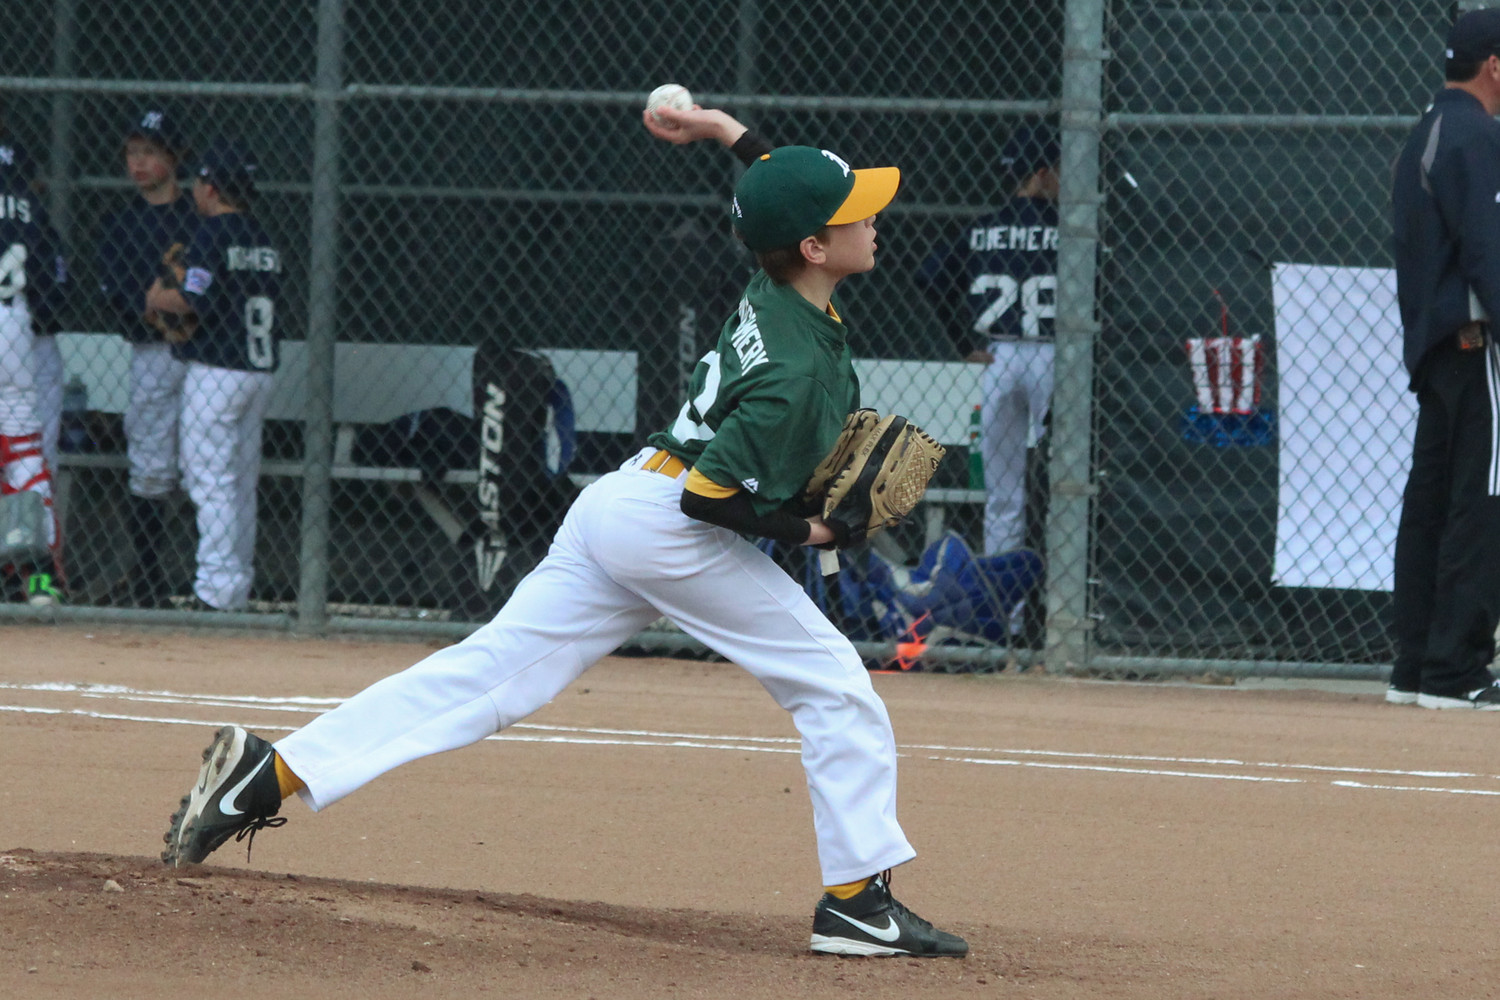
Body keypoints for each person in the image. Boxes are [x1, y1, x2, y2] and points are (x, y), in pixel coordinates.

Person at [158, 105, 967, 959]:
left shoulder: (773, 279)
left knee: (488, 675)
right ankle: (857, 904)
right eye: (856, 214)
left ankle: (268, 775)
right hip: (672, 524)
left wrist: (721, 127)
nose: (873, 221)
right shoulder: (796, 372)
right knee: (835, 685)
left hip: (620, 503)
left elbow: (772, 184)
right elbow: (708, 500)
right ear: (812, 247)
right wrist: (815, 530)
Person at [1388, 8, 1500, 710]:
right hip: (1474, 340)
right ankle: (1456, 671)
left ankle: (1417, 665)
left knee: (1431, 500)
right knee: (1482, 500)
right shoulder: (1477, 134)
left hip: (1436, 345)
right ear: (1495, 65)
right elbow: (1489, 249)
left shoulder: (1427, 128)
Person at [145, 139, 280, 612]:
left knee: (211, 482)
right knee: (241, 484)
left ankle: (215, 588)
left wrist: (156, 297)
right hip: (257, 370)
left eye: (201, 182)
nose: (196, 190)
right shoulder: (262, 236)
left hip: (217, 372)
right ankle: (235, 585)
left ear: (212, 188)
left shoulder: (212, 232)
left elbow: (191, 300)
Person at [916, 123, 1058, 561]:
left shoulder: (984, 228)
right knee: (1063, 480)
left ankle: (1002, 591)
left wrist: (964, 342)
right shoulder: (1069, 228)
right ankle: (1059, 580)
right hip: (1053, 355)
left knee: (1003, 491)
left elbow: (928, 277)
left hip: (997, 357)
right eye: (1057, 170)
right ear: (1041, 173)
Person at [97, 108, 197, 607]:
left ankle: (206, 584)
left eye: (150, 152)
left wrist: (185, 314)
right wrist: (158, 315)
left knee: (204, 466)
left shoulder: (197, 217)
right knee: (151, 466)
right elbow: (116, 295)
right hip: (152, 353)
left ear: (174, 158)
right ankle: (148, 579)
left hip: (204, 356)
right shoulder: (120, 224)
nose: (138, 163)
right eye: (132, 153)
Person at [0, 138, 69, 605]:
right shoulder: (31, 210)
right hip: (13, 325)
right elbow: (50, 286)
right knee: (25, 453)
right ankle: (43, 581)